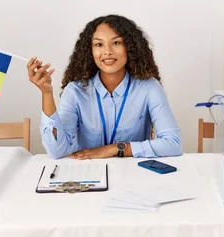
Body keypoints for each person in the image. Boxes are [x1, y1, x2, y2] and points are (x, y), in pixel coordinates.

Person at [26, 14, 182, 160]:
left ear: (130, 47)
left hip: (134, 175)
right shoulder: (75, 91)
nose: (107, 52)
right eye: (99, 44)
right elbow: (56, 151)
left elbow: (173, 144)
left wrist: (117, 148)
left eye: (116, 43)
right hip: (88, 175)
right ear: (90, 51)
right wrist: (47, 93)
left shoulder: (149, 87)